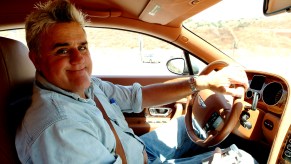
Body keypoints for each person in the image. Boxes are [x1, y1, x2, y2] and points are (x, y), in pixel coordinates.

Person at [15, 0, 257, 163]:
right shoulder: (58, 129)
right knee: (241, 159)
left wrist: (205, 82)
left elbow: (136, 97)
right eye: (62, 51)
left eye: (82, 47)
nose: (79, 59)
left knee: (190, 122)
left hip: (139, 150)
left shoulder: (88, 86)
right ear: (35, 58)